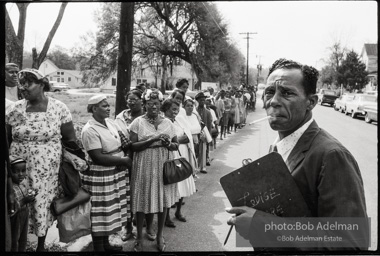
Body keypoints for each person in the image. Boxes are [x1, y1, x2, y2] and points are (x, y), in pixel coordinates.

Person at [226, 58, 368, 250]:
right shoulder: (277, 148)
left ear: (311, 102)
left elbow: (350, 243)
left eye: (287, 93)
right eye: (269, 92)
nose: (273, 101)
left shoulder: (331, 156)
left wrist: (261, 225)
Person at [6, 68, 77, 251]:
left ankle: (40, 246)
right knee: (18, 204)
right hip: (19, 170)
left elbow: (70, 140)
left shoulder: (59, 108)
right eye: (21, 83)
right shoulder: (14, 109)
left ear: (42, 85)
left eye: (28, 83)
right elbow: (6, 138)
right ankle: (16, 245)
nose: (23, 87)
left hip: (46, 171)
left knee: (41, 205)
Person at [129, 89, 180, 252]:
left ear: (160, 105)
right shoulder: (137, 122)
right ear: (144, 104)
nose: (153, 107)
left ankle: (159, 236)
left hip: (163, 164)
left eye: (156, 103)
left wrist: (168, 145)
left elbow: (176, 144)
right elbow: (133, 146)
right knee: (141, 198)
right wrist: (154, 139)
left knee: (163, 200)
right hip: (143, 164)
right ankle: (138, 237)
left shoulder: (168, 123)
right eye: (149, 103)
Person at [81, 95, 132, 252]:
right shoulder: (90, 130)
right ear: (94, 109)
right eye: (104, 106)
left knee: (109, 211)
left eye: (108, 105)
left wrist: (125, 158)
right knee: (99, 213)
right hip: (100, 176)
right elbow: (98, 157)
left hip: (115, 172)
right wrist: (122, 162)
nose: (108, 108)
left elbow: (125, 143)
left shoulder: (110, 123)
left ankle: (105, 244)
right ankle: (98, 248)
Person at [115, 89, 145, 241]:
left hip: (143, 157)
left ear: (142, 100)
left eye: (135, 99)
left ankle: (144, 222)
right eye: (129, 100)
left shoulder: (147, 117)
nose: (131, 102)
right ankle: (128, 228)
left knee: (141, 191)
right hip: (126, 159)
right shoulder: (121, 117)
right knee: (127, 193)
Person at [161, 99, 197, 227]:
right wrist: (177, 140)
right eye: (173, 109)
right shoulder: (162, 122)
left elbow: (188, 137)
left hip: (181, 154)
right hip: (170, 155)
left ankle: (178, 211)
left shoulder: (180, 120)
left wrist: (177, 140)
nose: (176, 112)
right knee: (172, 184)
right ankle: (167, 217)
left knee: (182, 180)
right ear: (165, 110)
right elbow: (167, 140)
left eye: (177, 109)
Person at [9, 158, 36, 252]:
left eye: (23, 170)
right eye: (16, 172)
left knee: (23, 239)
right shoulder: (10, 189)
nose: (20, 174)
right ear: (9, 173)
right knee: (14, 240)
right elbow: (10, 210)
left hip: (24, 216)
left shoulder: (21, 185)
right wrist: (24, 201)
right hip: (15, 220)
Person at [183, 98, 203, 174]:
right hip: (187, 139)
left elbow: (198, 128)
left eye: (191, 106)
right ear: (184, 107)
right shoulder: (182, 117)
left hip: (195, 139)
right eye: (188, 106)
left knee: (195, 155)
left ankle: (193, 171)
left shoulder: (195, 116)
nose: (190, 107)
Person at [195, 92, 213, 173]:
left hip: (204, 133)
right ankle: (195, 167)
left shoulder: (208, 112)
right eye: (201, 100)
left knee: (204, 150)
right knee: (195, 150)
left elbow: (209, 125)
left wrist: (208, 135)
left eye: (203, 100)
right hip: (195, 133)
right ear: (198, 101)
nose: (202, 101)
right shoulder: (194, 111)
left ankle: (203, 167)